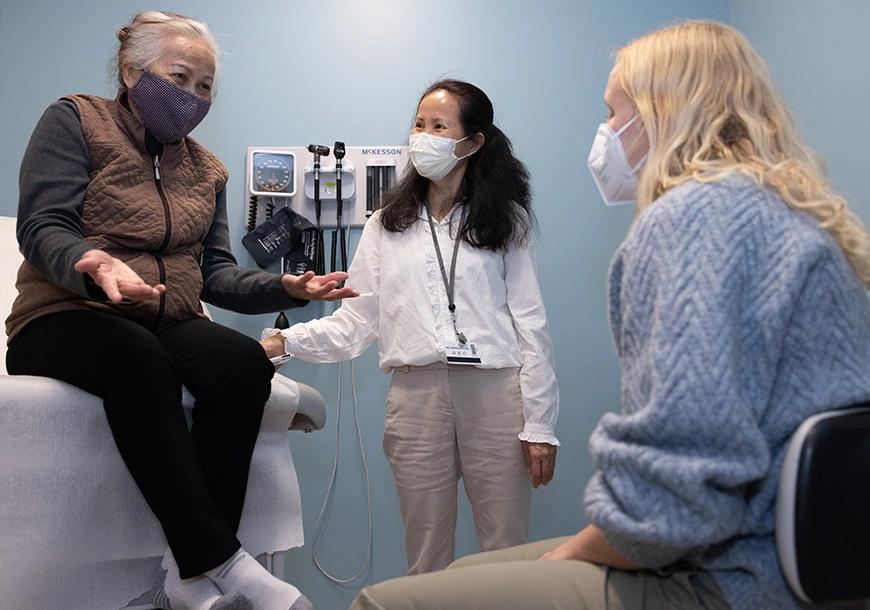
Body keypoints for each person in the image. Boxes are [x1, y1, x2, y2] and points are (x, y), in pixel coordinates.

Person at [345, 20, 870, 610]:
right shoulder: (773, 208)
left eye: (613, 112)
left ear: (663, 113)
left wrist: (574, 550)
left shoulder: (695, 220)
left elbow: (681, 477)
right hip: (793, 548)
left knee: (387, 602)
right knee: (466, 570)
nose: (606, 133)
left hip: (733, 568)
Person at [4, 11, 358, 610]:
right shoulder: (75, 120)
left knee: (243, 363)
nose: (192, 96)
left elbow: (215, 272)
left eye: (204, 86)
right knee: (138, 358)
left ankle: (184, 575)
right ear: (131, 72)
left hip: (168, 317)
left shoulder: (207, 170)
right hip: (65, 313)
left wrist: (288, 289)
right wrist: (93, 262)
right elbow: (43, 225)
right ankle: (221, 560)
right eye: (179, 77)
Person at [260, 79, 560, 575]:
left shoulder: (508, 220)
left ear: (473, 142)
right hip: (416, 397)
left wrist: (541, 424)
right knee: (425, 553)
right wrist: (281, 343)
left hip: (495, 395)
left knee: (506, 550)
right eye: (419, 124)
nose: (423, 136)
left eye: (439, 126)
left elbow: (532, 326)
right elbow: (357, 323)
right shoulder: (386, 224)